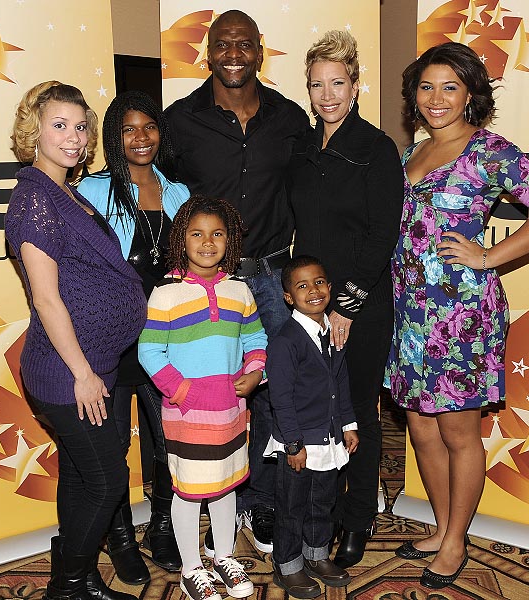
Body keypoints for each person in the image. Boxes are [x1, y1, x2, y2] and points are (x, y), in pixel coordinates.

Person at [385, 41, 529, 590]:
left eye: (450, 86)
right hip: (409, 312)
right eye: (426, 86)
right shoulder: (408, 156)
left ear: (470, 93)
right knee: (420, 428)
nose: (436, 98)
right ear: (413, 95)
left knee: (458, 430)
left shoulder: (488, 150)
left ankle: (455, 541)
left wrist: (488, 256)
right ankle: (445, 526)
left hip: (461, 315)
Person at [164, 9, 310, 554]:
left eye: (243, 44)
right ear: (208, 50)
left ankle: (264, 504)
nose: (233, 54)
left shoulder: (291, 118)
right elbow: (165, 201)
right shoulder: (178, 121)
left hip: (274, 277)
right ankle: (213, 500)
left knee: (276, 393)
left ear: (259, 50)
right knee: (215, 393)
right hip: (208, 284)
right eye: (222, 44)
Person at [5, 81, 147, 600]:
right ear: (34, 130)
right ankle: (66, 587)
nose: (72, 136)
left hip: (96, 366)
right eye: (58, 124)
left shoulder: (65, 191)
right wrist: (83, 374)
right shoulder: (35, 197)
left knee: (84, 477)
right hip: (69, 374)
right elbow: (45, 299)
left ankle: (83, 580)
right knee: (108, 480)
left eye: (80, 126)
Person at [287, 30, 404, 568]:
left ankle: (358, 519)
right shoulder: (304, 148)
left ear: (356, 87)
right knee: (318, 410)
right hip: (310, 305)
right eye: (317, 84)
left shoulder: (377, 149)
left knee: (358, 412)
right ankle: (327, 508)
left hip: (361, 307)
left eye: (338, 83)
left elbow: (382, 236)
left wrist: (344, 308)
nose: (328, 94)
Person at [78, 91, 190, 579]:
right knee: (114, 444)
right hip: (112, 337)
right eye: (128, 129)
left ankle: (162, 525)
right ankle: (120, 536)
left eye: (149, 126)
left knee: (169, 439)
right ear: (112, 137)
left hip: (166, 336)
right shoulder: (92, 192)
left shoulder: (179, 193)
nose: (141, 137)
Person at [138, 195, 268, 600]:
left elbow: (255, 336)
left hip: (231, 411)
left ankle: (224, 557)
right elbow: (149, 350)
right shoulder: (166, 294)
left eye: (217, 234)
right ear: (182, 239)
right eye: (197, 234)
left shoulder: (239, 291)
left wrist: (255, 371)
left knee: (226, 485)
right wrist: (183, 392)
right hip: (188, 414)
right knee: (190, 489)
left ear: (229, 241)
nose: (207, 242)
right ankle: (192, 568)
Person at [265, 256, 359, 599]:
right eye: (302, 286)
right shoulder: (286, 341)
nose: (313, 291)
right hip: (300, 441)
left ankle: (316, 556)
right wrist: (292, 444)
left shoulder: (333, 333)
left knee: (323, 501)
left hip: (330, 437)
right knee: (292, 507)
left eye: (319, 282)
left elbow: (341, 382)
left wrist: (348, 424)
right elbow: (281, 398)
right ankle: (287, 565)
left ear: (330, 288)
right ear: (289, 296)